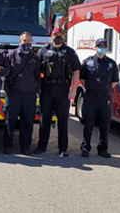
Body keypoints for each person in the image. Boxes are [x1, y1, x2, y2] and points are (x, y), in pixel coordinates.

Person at [34, 26, 80, 157]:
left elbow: (76, 70)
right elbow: (35, 69)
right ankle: (41, 147)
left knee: (63, 120)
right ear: (52, 36)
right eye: (56, 34)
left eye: (61, 33)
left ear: (64, 36)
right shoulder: (44, 50)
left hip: (63, 89)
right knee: (45, 119)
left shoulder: (70, 52)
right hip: (47, 89)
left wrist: (74, 89)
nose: (58, 36)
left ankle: (63, 148)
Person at [80, 37, 120, 158]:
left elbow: (115, 81)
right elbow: (82, 79)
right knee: (88, 124)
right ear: (95, 47)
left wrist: (104, 89)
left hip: (104, 98)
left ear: (106, 48)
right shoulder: (88, 62)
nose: (101, 48)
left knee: (104, 125)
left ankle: (103, 149)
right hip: (91, 97)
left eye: (103, 46)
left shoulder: (111, 64)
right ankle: (85, 148)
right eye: (99, 46)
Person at [2, 31, 40, 155]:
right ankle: (7, 146)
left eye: (29, 40)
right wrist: (7, 90)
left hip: (29, 96)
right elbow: (5, 75)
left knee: (27, 123)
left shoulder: (35, 58)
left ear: (32, 42)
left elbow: (38, 76)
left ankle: (25, 147)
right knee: (10, 122)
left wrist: (36, 90)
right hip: (14, 94)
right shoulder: (11, 55)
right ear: (20, 41)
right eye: (24, 40)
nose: (27, 42)